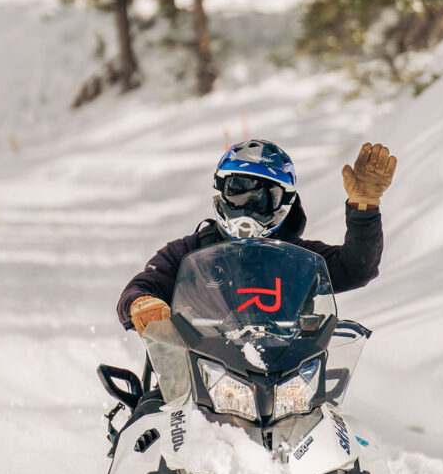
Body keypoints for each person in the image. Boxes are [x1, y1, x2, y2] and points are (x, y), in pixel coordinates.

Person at [118, 138, 397, 335]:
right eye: (237, 191)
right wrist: (141, 302)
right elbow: (141, 286)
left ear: (285, 203)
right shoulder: (186, 253)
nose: (246, 208)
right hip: (195, 377)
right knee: (151, 411)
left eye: (263, 198)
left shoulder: (301, 259)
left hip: (287, 380)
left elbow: (358, 267)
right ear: (219, 191)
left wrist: (365, 206)